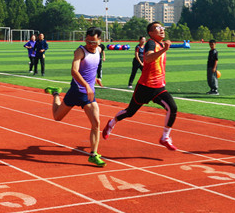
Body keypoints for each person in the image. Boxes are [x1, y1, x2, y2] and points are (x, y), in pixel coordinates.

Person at [102, 21, 178, 151]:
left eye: (162, 27)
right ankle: (111, 123)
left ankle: (165, 137)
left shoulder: (161, 44)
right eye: (158, 28)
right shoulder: (151, 43)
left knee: (173, 108)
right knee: (130, 112)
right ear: (151, 33)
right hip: (145, 87)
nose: (162, 29)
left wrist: (164, 48)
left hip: (159, 87)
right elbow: (147, 58)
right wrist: (165, 49)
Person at [44, 27, 105, 167]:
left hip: (88, 94)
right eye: (88, 41)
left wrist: (95, 79)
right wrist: (86, 85)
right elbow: (74, 71)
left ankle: (93, 154)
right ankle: (55, 94)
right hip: (77, 91)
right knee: (57, 117)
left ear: (99, 41)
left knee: (96, 123)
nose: (91, 45)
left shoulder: (99, 49)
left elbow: (92, 67)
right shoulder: (80, 51)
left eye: (94, 42)